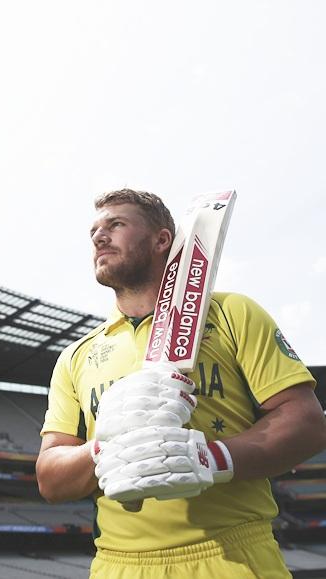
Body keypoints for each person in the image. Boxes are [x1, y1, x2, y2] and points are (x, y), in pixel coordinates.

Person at [36, 189, 326, 579]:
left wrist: (209, 459)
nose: (99, 238)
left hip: (231, 556)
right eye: (94, 232)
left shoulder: (231, 313)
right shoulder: (76, 356)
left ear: (161, 239)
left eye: (116, 224)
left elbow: (307, 424)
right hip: (117, 565)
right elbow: (50, 478)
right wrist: (112, 450)